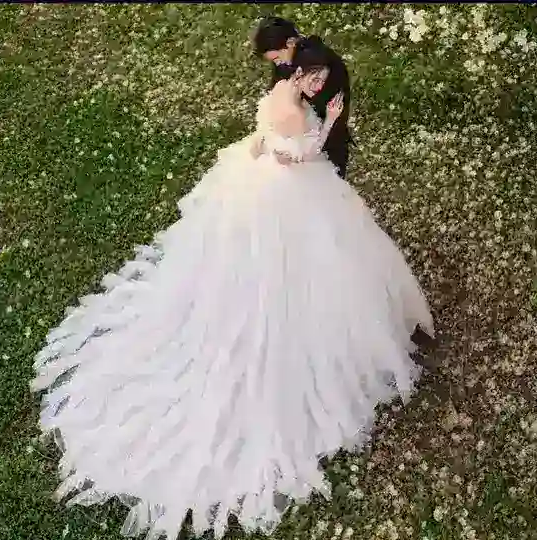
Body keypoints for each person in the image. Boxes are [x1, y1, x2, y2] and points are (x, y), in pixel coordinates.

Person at [31, 38, 433, 540]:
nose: (317, 84)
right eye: (312, 76)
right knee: (300, 272)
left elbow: (261, 141)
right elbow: (302, 153)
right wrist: (329, 121)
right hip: (288, 192)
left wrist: (281, 135)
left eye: (322, 78)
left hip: (259, 178)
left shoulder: (280, 91)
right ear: (298, 72)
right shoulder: (294, 110)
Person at [253, 16, 352, 178]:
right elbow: (276, 92)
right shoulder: (286, 61)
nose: (277, 64)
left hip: (323, 136)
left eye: (277, 58)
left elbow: (331, 115)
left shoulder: (322, 69)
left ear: (291, 42)